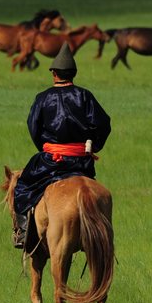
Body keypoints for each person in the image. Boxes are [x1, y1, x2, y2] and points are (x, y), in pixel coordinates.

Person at [12, 42, 111, 249]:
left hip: (51, 161)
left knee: (21, 187)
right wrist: (93, 146)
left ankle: (22, 233)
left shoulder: (42, 97)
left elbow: (33, 127)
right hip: (80, 162)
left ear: (54, 73)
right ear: (73, 74)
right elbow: (103, 123)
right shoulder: (85, 96)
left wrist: (46, 147)